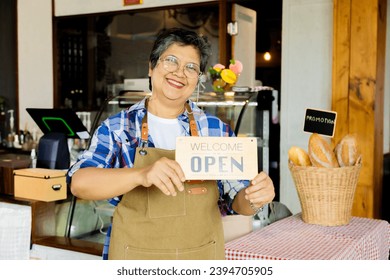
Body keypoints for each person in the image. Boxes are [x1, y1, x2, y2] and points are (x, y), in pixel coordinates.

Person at [67, 27, 275, 260]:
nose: (179, 72)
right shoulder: (119, 127)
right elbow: (80, 183)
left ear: (198, 79)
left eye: (191, 67)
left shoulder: (215, 130)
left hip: (200, 258)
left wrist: (254, 196)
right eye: (171, 61)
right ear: (151, 66)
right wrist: (141, 175)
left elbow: (239, 204)